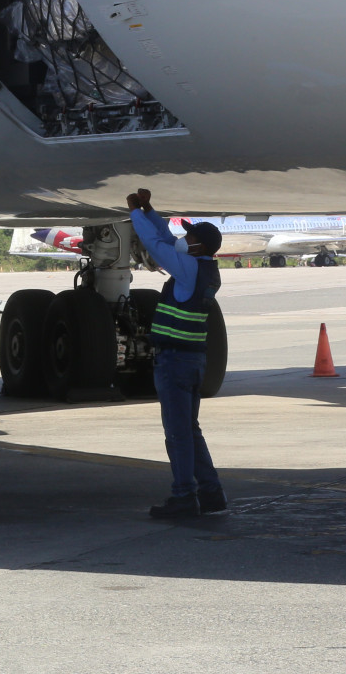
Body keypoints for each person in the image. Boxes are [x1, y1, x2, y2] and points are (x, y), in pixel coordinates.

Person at [127, 188, 226, 518]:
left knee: (178, 434)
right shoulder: (203, 268)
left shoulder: (187, 268)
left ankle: (184, 496)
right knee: (190, 430)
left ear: (200, 246)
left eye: (190, 237)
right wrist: (149, 211)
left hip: (175, 361)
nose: (184, 239)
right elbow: (168, 240)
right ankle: (211, 493)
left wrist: (135, 214)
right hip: (192, 360)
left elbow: (155, 244)